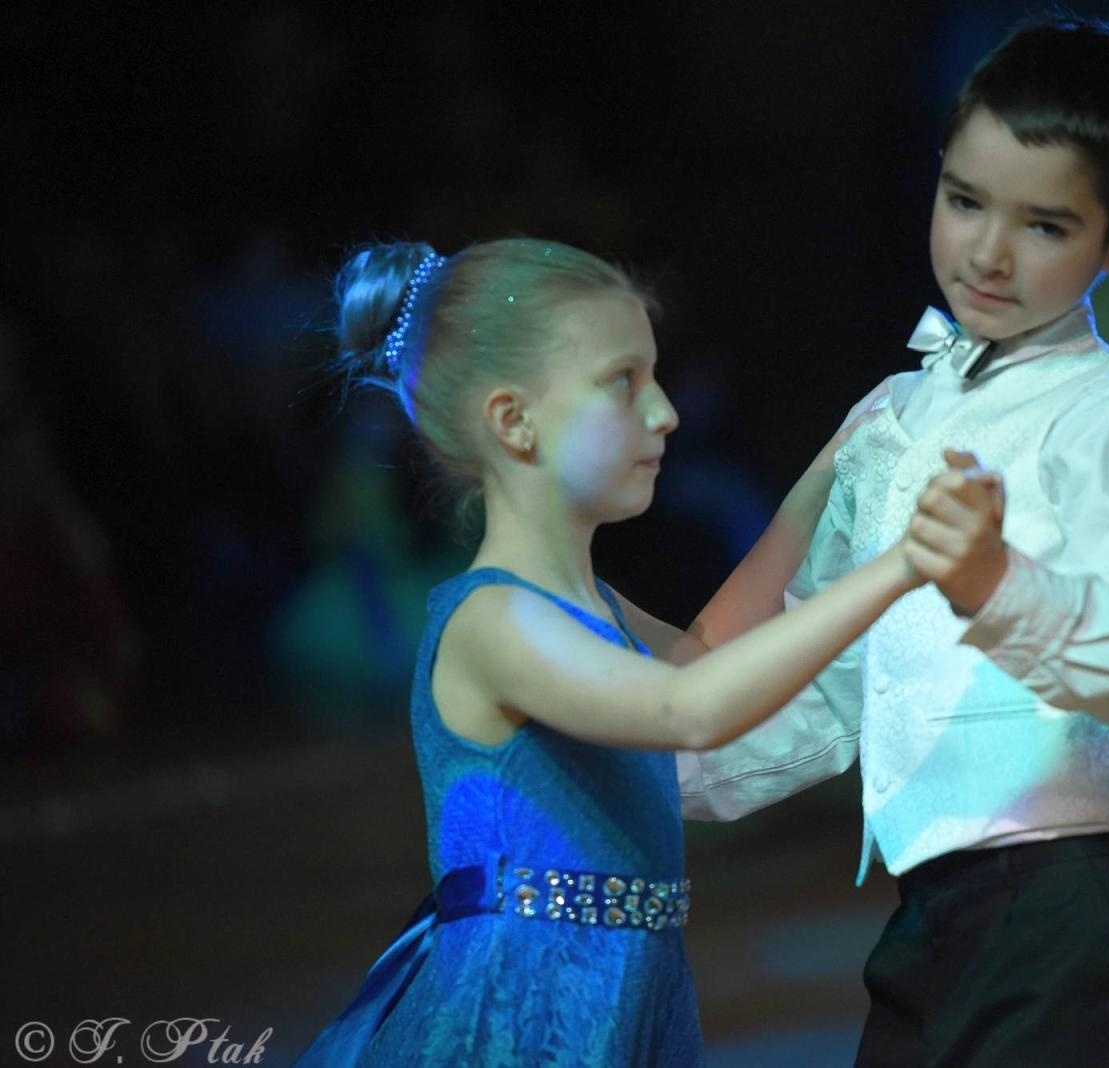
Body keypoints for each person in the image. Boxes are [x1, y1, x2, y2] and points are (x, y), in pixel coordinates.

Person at [679, 16, 1109, 1066]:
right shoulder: (896, 412)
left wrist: (995, 583)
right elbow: (835, 675)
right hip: (941, 909)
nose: (984, 252)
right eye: (964, 201)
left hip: (1075, 900)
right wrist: (641, 757)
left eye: (1043, 225)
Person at [296, 237, 968, 1067]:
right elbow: (691, 709)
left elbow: (700, 656)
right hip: (524, 1014)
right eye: (624, 382)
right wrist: (904, 567)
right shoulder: (494, 619)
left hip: (622, 997)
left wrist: (836, 461)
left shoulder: (586, 605)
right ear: (514, 421)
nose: (665, 412)